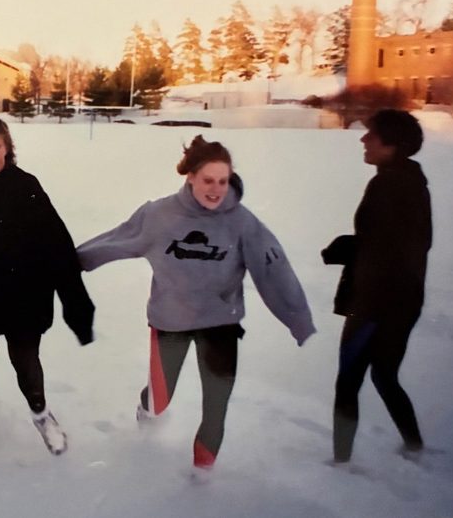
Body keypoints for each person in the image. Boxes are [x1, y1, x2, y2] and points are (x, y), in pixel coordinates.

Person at [76, 135, 315, 475]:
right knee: (160, 401)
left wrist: (297, 317)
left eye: (223, 181)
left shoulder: (242, 222)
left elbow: (273, 269)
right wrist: (68, 265)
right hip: (170, 321)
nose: (216, 189)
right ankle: (147, 413)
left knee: (216, 405)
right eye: (208, 180)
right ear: (190, 177)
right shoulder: (159, 215)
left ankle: (202, 481)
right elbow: (115, 241)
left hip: (221, 322)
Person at [0, 113, 94, 455]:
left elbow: (59, 246)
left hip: (24, 306)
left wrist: (77, 307)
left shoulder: (26, 187)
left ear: (7, 149)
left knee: (27, 368)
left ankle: (42, 416)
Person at [322, 109, 431, 465]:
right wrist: (354, 245)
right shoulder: (412, 181)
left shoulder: (388, 183)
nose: (363, 140)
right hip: (405, 300)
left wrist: (349, 247)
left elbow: (389, 248)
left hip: (376, 303)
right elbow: (400, 242)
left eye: (371, 135)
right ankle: (413, 445)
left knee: (348, 381)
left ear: (392, 145)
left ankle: (340, 463)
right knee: (385, 374)